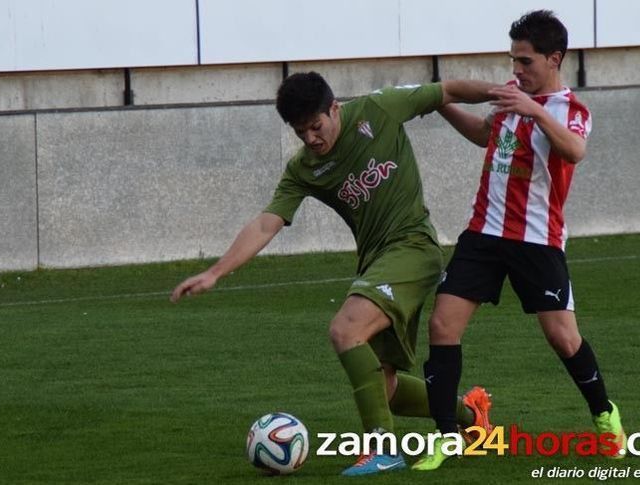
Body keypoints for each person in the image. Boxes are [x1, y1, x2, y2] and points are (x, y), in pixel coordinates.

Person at [170, 71, 499, 476]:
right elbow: (265, 223)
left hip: (413, 247)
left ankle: (382, 449)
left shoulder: (378, 109)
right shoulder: (304, 168)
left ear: (335, 110)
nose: (310, 138)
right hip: (377, 262)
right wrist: (216, 272)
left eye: (316, 126)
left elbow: (447, 90)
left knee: (346, 330)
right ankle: (472, 415)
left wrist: (503, 92)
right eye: (299, 131)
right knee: (388, 390)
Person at [412, 10, 627, 471]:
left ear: (555, 58)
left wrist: (534, 110)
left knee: (563, 338)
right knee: (442, 326)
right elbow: (482, 135)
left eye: (525, 61)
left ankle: (605, 415)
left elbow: (575, 151)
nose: (516, 70)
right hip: (483, 234)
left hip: (538, 242)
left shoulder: (570, 109)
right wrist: (442, 104)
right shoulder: (511, 101)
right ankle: (448, 436)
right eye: (513, 60)